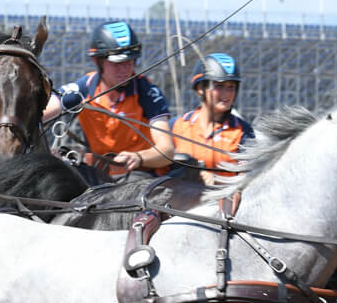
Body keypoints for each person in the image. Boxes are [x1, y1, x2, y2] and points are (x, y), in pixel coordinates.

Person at [43, 21, 175, 179]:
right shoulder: (83, 89)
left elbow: (167, 150)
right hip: (97, 176)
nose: (125, 70)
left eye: (129, 62)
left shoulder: (148, 92)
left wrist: (139, 158)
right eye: (117, 64)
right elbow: (40, 113)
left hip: (139, 176)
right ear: (97, 61)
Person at [170, 53, 253, 184]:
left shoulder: (243, 132)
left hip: (221, 201)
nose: (226, 94)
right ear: (200, 88)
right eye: (219, 86)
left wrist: (216, 180)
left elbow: (248, 179)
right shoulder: (177, 125)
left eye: (231, 87)